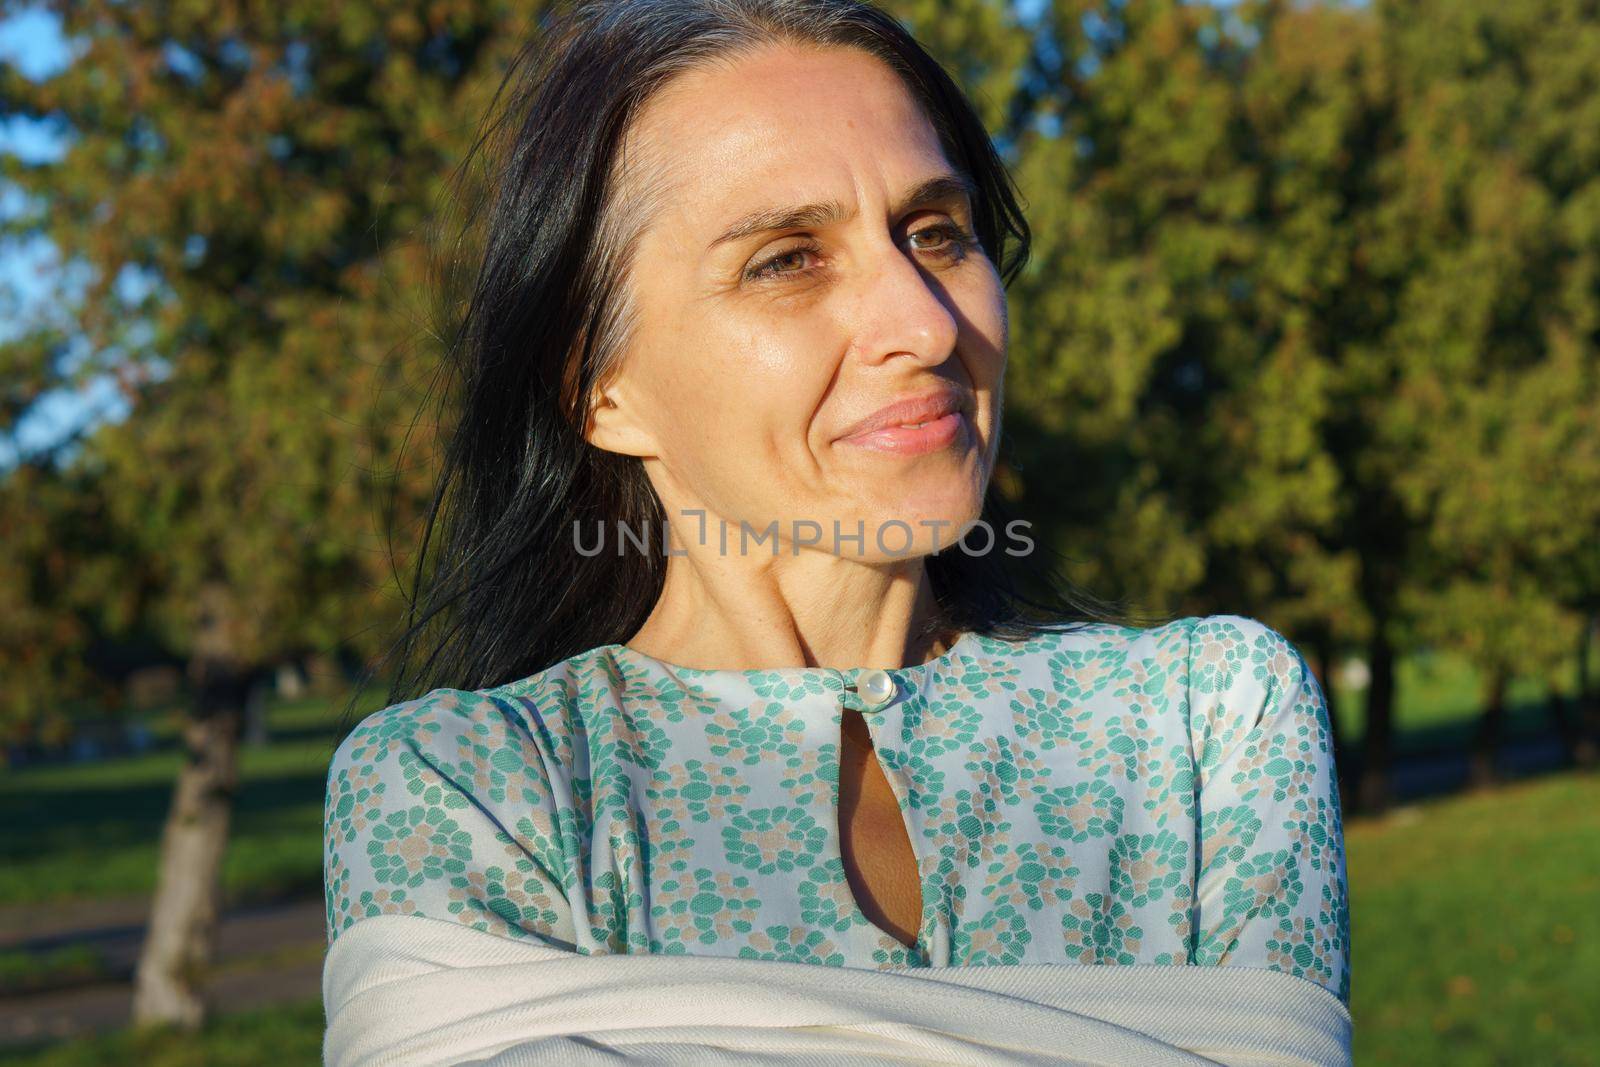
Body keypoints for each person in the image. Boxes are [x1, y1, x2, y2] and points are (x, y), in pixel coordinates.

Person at [320, 0, 1350, 1062]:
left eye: (936, 232)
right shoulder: (475, 790)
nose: (924, 323)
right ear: (601, 388)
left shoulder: (1201, 723)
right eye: (786, 260)